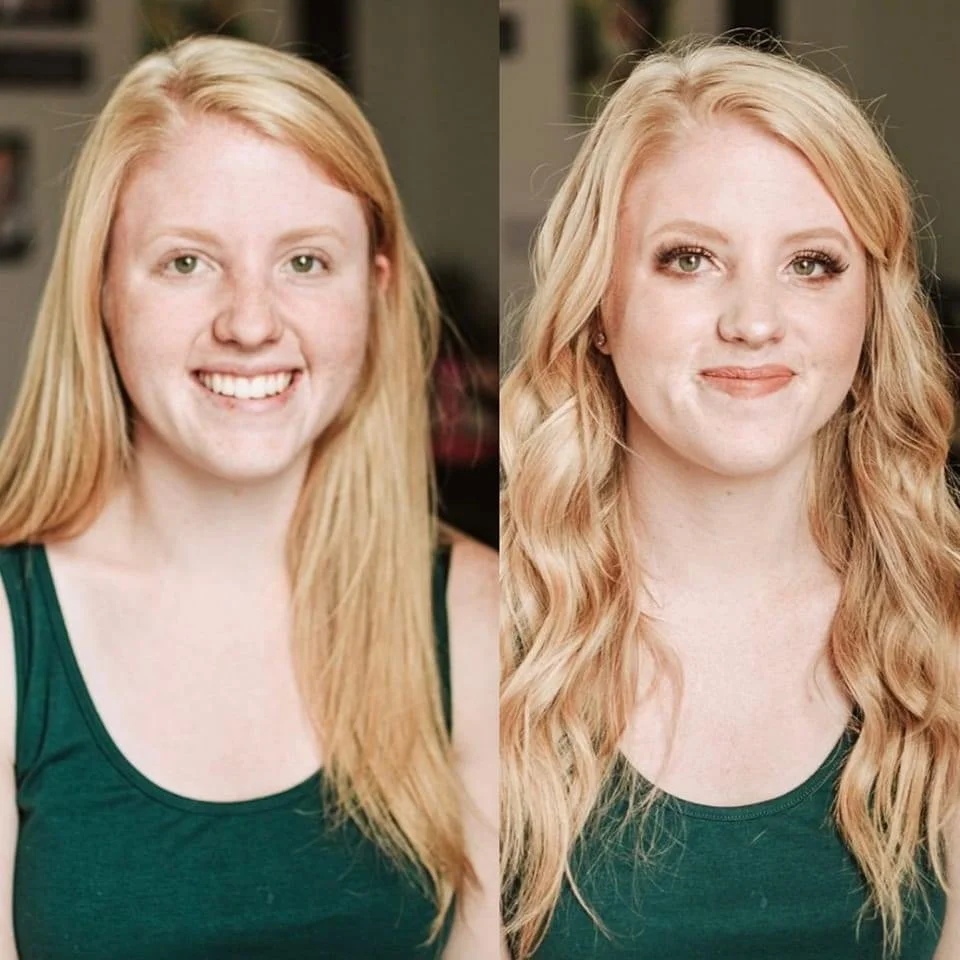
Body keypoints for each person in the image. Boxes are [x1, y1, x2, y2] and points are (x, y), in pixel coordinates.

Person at [0, 35, 498, 958]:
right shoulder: (11, 630)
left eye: (305, 262)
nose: (250, 322)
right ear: (102, 290)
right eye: (187, 262)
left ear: (376, 293)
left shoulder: (480, 619)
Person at [500, 39, 960, 959]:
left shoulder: (941, 629)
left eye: (812, 265)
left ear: (871, 310)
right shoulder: (488, 634)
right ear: (599, 306)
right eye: (689, 259)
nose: (753, 320)